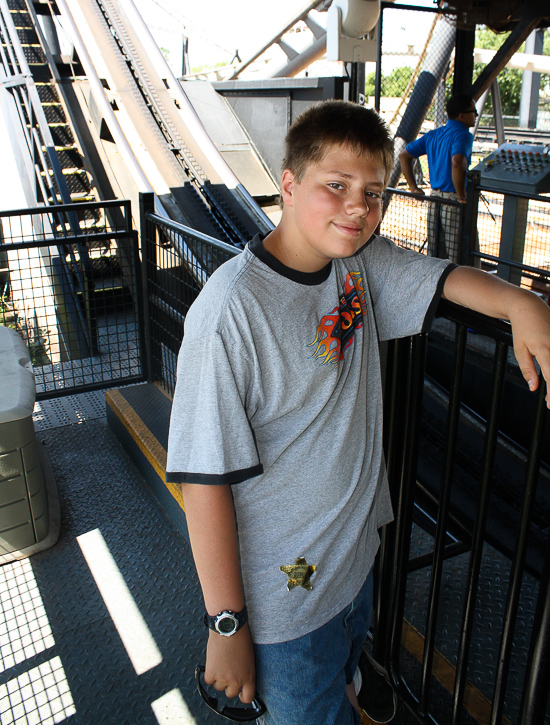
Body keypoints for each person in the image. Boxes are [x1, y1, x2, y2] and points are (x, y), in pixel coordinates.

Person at [165, 99, 550, 725]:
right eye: (336, 186)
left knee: (340, 674)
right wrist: (226, 625)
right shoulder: (230, 315)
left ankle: (351, 676)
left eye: (373, 192)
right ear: (289, 185)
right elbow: (203, 479)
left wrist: (521, 304)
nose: (358, 208)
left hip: (350, 564)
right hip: (282, 610)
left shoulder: (356, 264)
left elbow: (445, 278)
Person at [399, 93, 478, 263]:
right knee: (458, 252)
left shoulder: (433, 135)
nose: (476, 115)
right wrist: (461, 195)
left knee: (436, 251)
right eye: (474, 111)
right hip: (453, 199)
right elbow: (457, 162)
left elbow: (404, 156)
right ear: (461, 115)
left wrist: (413, 187)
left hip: (435, 198)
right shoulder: (463, 135)